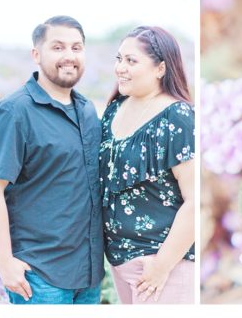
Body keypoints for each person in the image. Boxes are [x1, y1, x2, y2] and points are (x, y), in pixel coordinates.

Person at [0, 17, 103, 305]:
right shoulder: (14, 111)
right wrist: (5, 263)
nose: (69, 56)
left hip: (89, 274)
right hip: (39, 275)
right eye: (58, 47)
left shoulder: (87, 110)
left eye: (76, 47)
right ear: (36, 54)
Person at [99, 26, 195, 305]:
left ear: (160, 68)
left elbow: (194, 200)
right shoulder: (115, 109)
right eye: (119, 59)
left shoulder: (177, 116)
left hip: (162, 263)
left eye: (131, 61)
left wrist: (161, 266)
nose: (121, 68)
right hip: (120, 260)